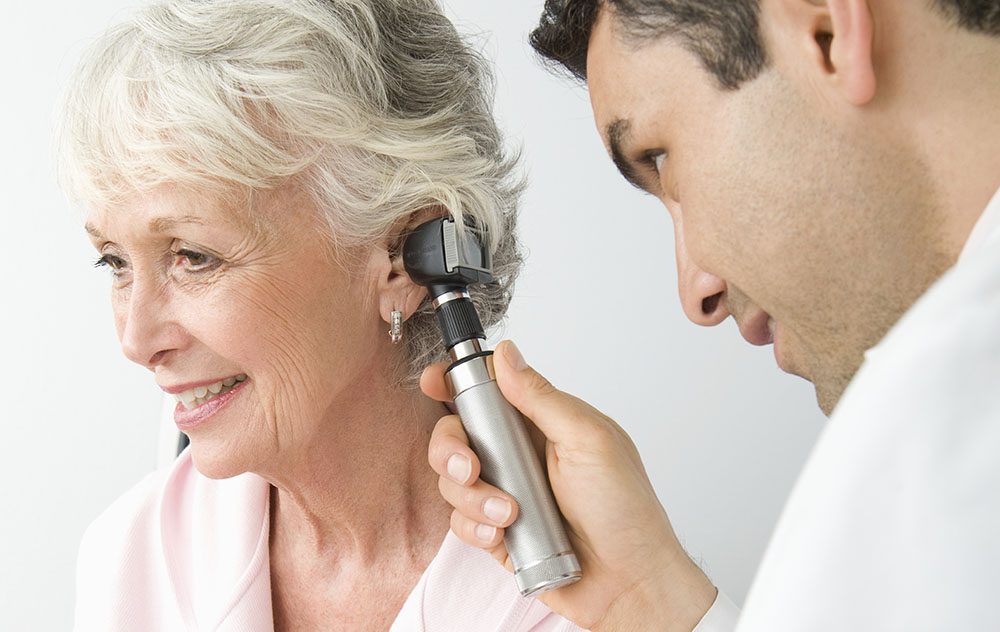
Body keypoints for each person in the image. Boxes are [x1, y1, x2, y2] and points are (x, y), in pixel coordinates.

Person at [425, 0, 1000, 630]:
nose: (694, 291)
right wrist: (645, 597)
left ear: (827, 34)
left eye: (663, 158)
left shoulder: (947, 408)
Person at [59, 0, 583, 630]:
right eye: (114, 263)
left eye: (194, 257)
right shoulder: (129, 558)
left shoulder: (592, 594)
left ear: (399, 261)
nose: (137, 340)